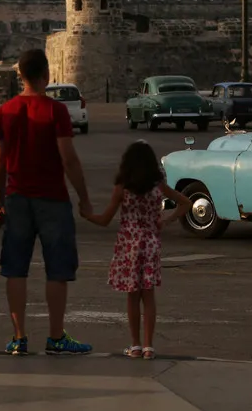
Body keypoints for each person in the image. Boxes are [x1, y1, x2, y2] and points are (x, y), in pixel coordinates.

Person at [0, 48, 94, 356]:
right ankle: (56, 336)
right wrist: (85, 199)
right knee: (57, 269)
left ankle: (19, 337)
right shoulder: (55, 111)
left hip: (17, 197)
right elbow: (69, 159)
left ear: (20, 76)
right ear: (46, 75)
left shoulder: (5, 111)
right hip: (52, 198)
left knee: (16, 268)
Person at [84, 141, 191, 360]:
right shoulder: (158, 185)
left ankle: (134, 345)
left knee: (132, 297)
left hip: (129, 243)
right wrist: (165, 220)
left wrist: (87, 215)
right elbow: (185, 203)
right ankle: (149, 346)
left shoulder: (123, 187)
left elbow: (105, 220)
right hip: (150, 242)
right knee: (149, 296)